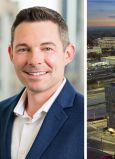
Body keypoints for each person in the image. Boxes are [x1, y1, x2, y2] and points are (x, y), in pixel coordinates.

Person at [0, 6, 83, 159]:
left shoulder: (84, 118)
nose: (34, 61)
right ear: (11, 54)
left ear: (68, 54)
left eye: (47, 48)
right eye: (23, 49)